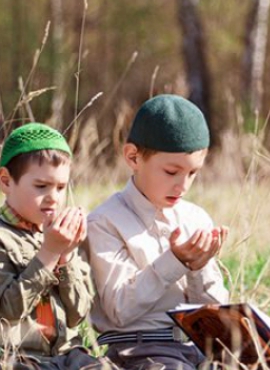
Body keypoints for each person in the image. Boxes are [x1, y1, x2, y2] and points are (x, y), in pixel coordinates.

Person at [85, 94, 229, 370]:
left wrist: (199, 267)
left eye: (192, 173)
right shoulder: (105, 222)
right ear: (133, 157)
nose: (183, 185)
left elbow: (214, 315)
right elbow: (119, 310)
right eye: (171, 172)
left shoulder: (195, 217)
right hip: (141, 350)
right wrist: (174, 262)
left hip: (199, 350)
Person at [0, 123, 108, 369]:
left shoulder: (57, 235)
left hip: (67, 354)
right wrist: (49, 253)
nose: (54, 197)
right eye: (41, 186)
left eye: (61, 187)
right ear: (6, 181)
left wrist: (66, 256)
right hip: (13, 357)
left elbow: (76, 316)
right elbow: (9, 309)